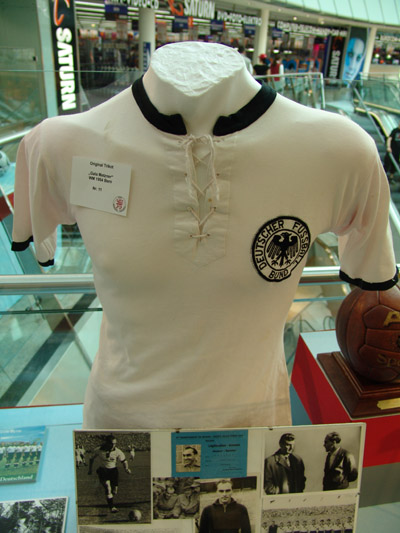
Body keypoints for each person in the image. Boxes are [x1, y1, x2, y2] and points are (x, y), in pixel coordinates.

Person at [12, 41, 398, 432]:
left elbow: (373, 279)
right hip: (121, 431)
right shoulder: (57, 146)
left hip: (252, 428)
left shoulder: (342, 152)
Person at [88, 434, 131, 513]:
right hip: (103, 471)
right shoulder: (98, 450)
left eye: (115, 443)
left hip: (113, 471)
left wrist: (126, 469)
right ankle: (112, 507)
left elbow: (124, 461)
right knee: (108, 488)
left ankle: (110, 496)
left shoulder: (117, 451)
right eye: (111, 443)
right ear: (107, 443)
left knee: (114, 491)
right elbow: (91, 459)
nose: (113, 445)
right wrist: (90, 469)